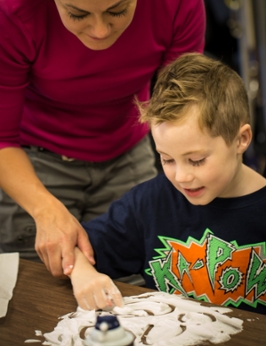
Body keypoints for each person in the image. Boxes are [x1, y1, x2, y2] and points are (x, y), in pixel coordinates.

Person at [0, 0, 206, 277]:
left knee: (137, 288)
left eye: (118, 9)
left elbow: (179, 108)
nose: (100, 31)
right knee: (34, 292)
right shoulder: (10, 8)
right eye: (78, 14)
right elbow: (1, 139)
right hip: (33, 165)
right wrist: (45, 210)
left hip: (129, 153)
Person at [69, 53, 266, 315]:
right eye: (167, 159)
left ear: (241, 139)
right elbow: (78, 246)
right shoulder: (148, 204)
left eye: (196, 160)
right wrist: (81, 272)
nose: (181, 176)